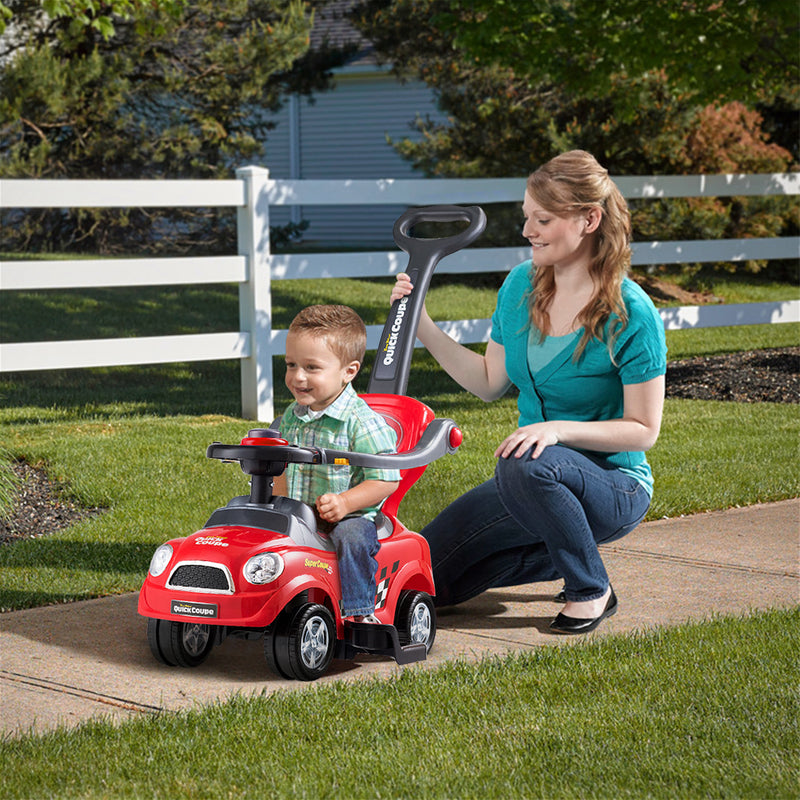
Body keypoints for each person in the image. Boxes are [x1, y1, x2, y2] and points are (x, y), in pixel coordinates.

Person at [390, 150, 667, 634]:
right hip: (532, 483)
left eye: (542, 219)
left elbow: (643, 431)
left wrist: (557, 430)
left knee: (525, 459)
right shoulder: (520, 287)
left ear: (589, 219)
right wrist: (423, 324)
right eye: (526, 218)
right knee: (425, 581)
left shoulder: (631, 314)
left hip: (613, 484)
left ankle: (589, 589)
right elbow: (487, 381)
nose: (527, 231)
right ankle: (565, 556)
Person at [273, 304, 400, 623]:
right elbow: (282, 465)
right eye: (291, 364)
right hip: (300, 513)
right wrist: (275, 503)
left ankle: (360, 612)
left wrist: (344, 503)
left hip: (350, 517)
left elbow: (386, 480)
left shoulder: (361, 423)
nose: (297, 377)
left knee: (351, 537)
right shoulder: (292, 416)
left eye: (311, 367)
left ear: (349, 371)